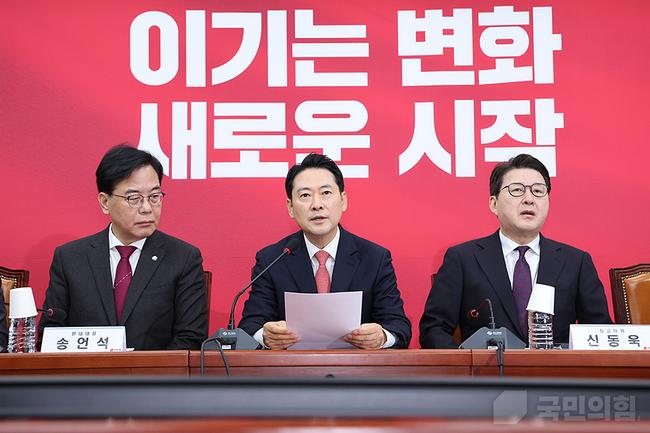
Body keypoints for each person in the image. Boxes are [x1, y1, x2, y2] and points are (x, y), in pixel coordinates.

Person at [419, 154, 612, 348]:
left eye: (538, 191)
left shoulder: (576, 262)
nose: (529, 199)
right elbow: (434, 330)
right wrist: (466, 364)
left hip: (555, 368)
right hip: (487, 367)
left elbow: (600, 332)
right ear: (494, 204)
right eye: (517, 190)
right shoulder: (463, 259)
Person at [37, 145, 208, 350]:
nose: (147, 208)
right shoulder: (70, 259)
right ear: (105, 202)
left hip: (156, 371)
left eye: (154, 196)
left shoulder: (183, 258)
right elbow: (50, 334)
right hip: (87, 370)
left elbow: (190, 339)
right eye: (133, 198)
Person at [239, 153, 411, 349]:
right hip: (292, 367)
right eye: (305, 195)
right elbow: (250, 326)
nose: (317, 205)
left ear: (343, 200)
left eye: (326, 193)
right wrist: (266, 336)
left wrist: (381, 337)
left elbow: (398, 327)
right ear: (291, 207)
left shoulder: (374, 258)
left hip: (357, 367)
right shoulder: (272, 259)